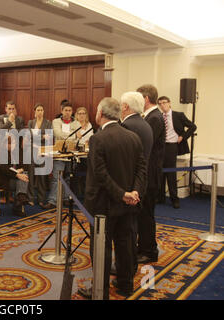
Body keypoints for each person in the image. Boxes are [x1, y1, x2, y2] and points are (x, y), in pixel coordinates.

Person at [78, 97, 146, 299]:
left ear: (100, 114)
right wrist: (135, 193)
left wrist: (122, 194)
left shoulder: (98, 138)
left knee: (102, 248)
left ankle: (100, 290)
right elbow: (142, 169)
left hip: (103, 204)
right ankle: (126, 286)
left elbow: (100, 174)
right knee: (125, 244)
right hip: (129, 203)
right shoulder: (133, 137)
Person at [119, 91, 154, 276]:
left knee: (126, 231)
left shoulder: (127, 126)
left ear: (125, 107)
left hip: (128, 186)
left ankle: (126, 268)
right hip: (139, 183)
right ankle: (129, 265)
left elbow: (122, 160)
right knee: (133, 227)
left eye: (120, 105)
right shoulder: (145, 124)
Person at [136, 84, 165, 264]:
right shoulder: (152, 116)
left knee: (146, 214)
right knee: (144, 214)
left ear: (146, 99)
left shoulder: (154, 118)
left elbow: (145, 146)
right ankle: (145, 247)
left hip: (150, 174)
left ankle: (148, 251)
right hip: (150, 173)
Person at [157, 96, 196, 209]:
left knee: (171, 173)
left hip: (172, 146)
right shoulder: (159, 116)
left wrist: (183, 137)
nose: (162, 105)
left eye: (164, 103)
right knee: (160, 172)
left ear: (169, 103)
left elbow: (193, 127)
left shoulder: (178, 115)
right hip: (161, 146)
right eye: (160, 104)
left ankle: (174, 199)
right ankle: (160, 197)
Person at [42, 102, 80, 209]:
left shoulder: (76, 123)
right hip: (59, 154)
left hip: (71, 154)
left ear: (72, 112)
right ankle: (53, 200)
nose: (68, 113)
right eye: (65, 110)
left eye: (70, 110)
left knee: (68, 177)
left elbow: (79, 137)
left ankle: (66, 198)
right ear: (62, 111)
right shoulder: (56, 121)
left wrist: (71, 137)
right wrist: (73, 135)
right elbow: (58, 134)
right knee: (56, 177)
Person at [0, 135, 29, 216]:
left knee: (24, 175)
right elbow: (5, 170)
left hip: (12, 178)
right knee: (22, 178)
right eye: (9, 144)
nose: (12, 146)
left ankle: (20, 197)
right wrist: (17, 174)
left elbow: (26, 165)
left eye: (14, 143)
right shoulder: (1, 153)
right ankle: (20, 200)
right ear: (4, 144)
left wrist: (20, 170)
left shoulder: (17, 152)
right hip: (2, 179)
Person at [26, 103, 52, 207]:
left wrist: (37, 137)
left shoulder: (48, 123)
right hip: (32, 151)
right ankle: (30, 198)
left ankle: (41, 199)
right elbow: (29, 135)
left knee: (42, 176)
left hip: (43, 151)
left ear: (43, 111)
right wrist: (42, 137)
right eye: (38, 110)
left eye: (41, 110)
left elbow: (49, 136)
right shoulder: (31, 122)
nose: (40, 112)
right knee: (31, 176)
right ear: (35, 112)